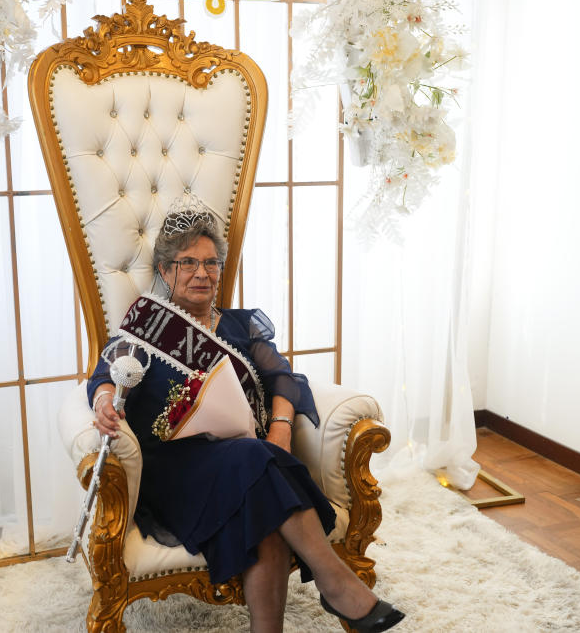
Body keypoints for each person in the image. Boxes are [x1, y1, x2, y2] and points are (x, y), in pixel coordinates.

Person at [88, 198, 404, 633]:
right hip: (178, 471)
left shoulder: (240, 327)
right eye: (187, 263)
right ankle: (335, 583)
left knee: (261, 495)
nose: (202, 273)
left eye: (211, 262)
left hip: (246, 461)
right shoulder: (146, 327)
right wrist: (106, 402)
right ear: (164, 271)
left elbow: (284, 380)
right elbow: (106, 374)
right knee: (255, 462)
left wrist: (280, 429)